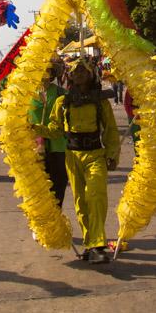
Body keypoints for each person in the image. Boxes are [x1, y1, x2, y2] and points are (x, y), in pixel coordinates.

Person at [34, 56, 119, 264]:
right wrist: (32, 128)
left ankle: (98, 243)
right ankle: (91, 245)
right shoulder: (62, 102)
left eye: (83, 70)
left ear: (91, 74)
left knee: (96, 196)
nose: (79, 73)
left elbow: (110, 130)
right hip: (72, 156)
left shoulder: (100, 101)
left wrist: (112, 154)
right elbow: (54, 131)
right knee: (81, 201)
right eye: (75, 71)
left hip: (95, 154)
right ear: (70, 75)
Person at [30, 60, 69, 207]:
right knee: (38, 189)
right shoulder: (27, 94)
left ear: (52, 73)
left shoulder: (60, 92)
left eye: (47, 70)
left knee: (58, 186)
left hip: (58, 146)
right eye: (40, 69)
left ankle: (56, 221)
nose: (43, 73)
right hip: (34, 148)